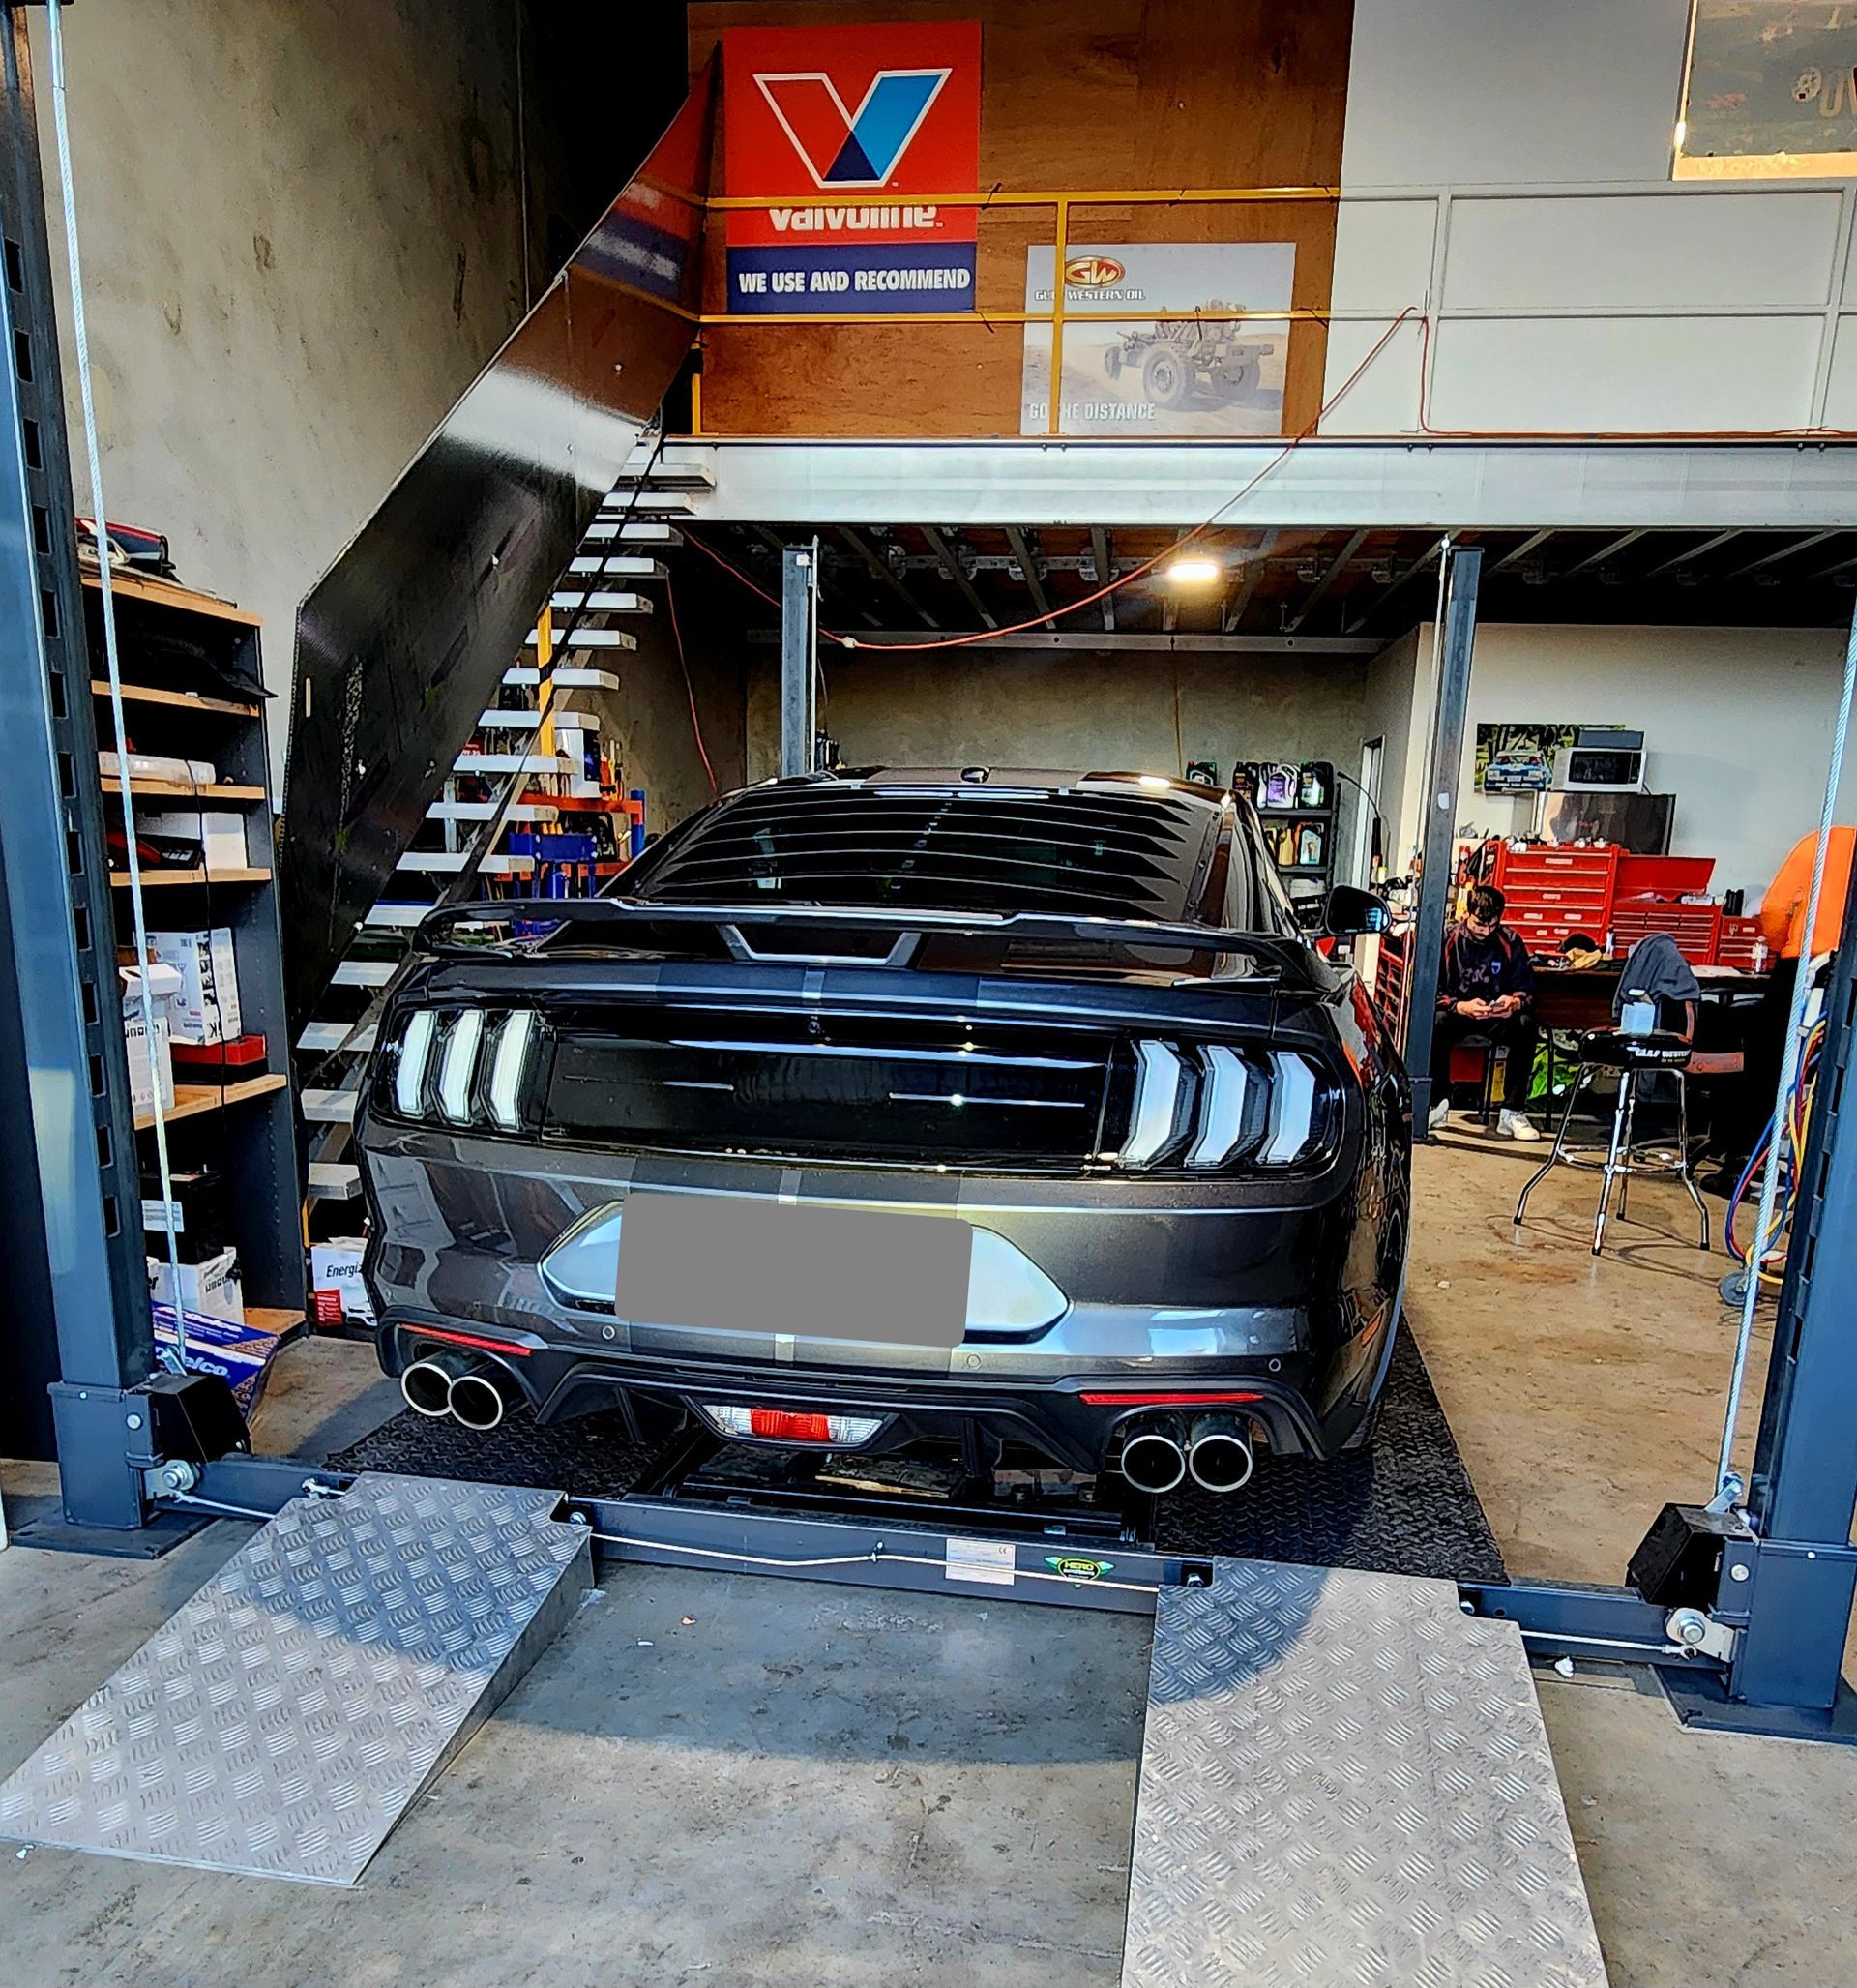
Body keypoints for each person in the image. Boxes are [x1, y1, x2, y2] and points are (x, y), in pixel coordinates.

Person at [1708, 825, 1856, 1190]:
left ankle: (1747, 1165)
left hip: (1806, 966)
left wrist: (1781, 944)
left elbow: (1774, 908)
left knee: (1769, 1060)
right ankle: (1820, 1182)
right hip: (1847, 970)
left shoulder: (1827, 839)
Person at [1428, 881, 1541, 1141]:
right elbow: (1431, 989)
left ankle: (1511, 1112)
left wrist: (1513, 1002)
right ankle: (1438, 1104)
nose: (1485, 931)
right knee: (1435, 1023)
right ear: (1467, 914)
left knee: (1526, 1026)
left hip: (1496, 1016)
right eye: (1480, 924)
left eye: (1492, 925)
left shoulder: (1510, 941)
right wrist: (1459, 1006)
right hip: (1459, 1013)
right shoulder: (1449, 940)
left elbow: (1527, 989)